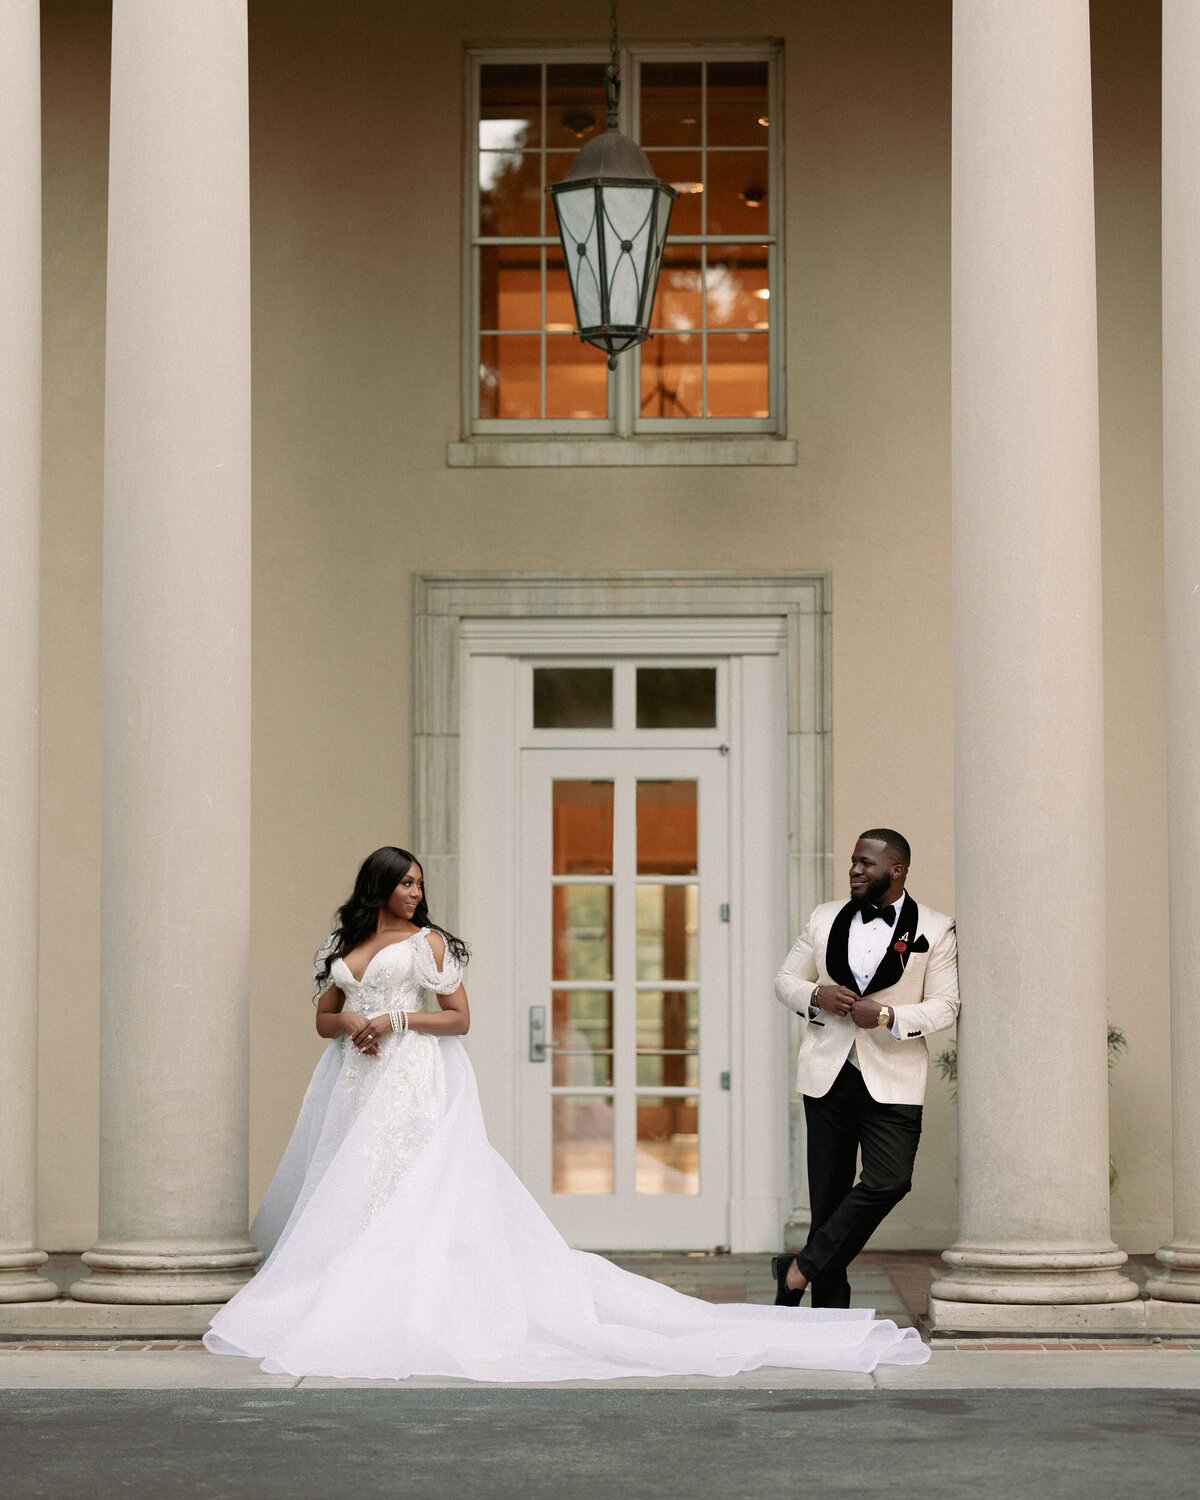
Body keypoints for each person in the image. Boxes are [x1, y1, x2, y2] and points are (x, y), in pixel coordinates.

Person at [205, 845, 929, 1380]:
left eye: (419, 882)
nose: (415, 892)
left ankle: (417, 1299)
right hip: (348, 1083)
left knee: (414, 1186)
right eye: (404, 882)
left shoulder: (429, 945)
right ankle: (344, 1292)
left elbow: (457, 1019)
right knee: (353, 1186)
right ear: (377, 888)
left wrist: (391, 1023)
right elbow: (325, 1019)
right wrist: (354, 1028)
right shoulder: (340, 946)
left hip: (411, 1079)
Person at [771, 829, 959, 1309]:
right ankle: (827, 1315)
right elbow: (785, 980)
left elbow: (945, 1006)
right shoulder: (823, 916)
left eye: (865, 863)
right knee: (827, 1200)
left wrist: (889, 1016)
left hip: (893, 1076)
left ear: (896, 870)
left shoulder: (935, 929)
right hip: (826, 1072)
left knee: (889, 1180)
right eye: (854, 861)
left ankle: (797, 1270)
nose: (854, 869)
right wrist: (816, 995)